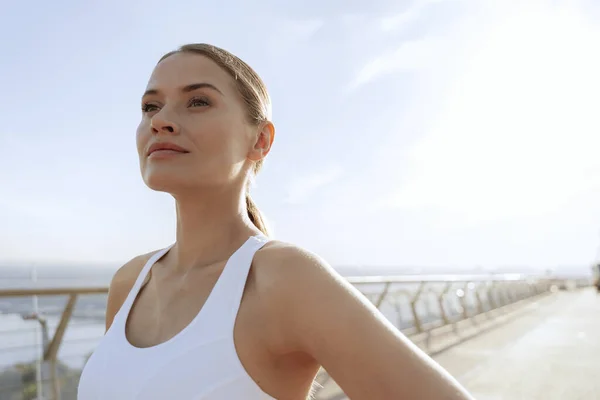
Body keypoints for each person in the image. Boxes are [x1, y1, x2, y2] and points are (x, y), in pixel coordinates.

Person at [77, 43, 474, 400]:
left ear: (260, 140)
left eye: (197, 101)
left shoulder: (283, 279)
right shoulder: (130, 282)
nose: (160, 121)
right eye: (150, 106)